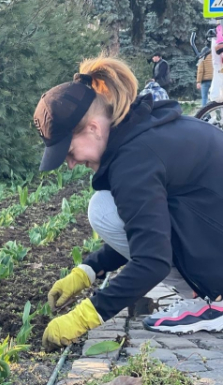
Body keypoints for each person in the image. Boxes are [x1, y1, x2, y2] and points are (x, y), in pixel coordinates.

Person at [34, 56, 223, 351]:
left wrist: (86, 316)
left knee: (102, 209)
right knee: (107, 206)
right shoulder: (144, 130)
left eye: (68, 151)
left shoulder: (134, 161)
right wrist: (89, 269)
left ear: (94, 128)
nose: (70, 164)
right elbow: (150, 226)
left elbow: (153, 260)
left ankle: (212, 301)